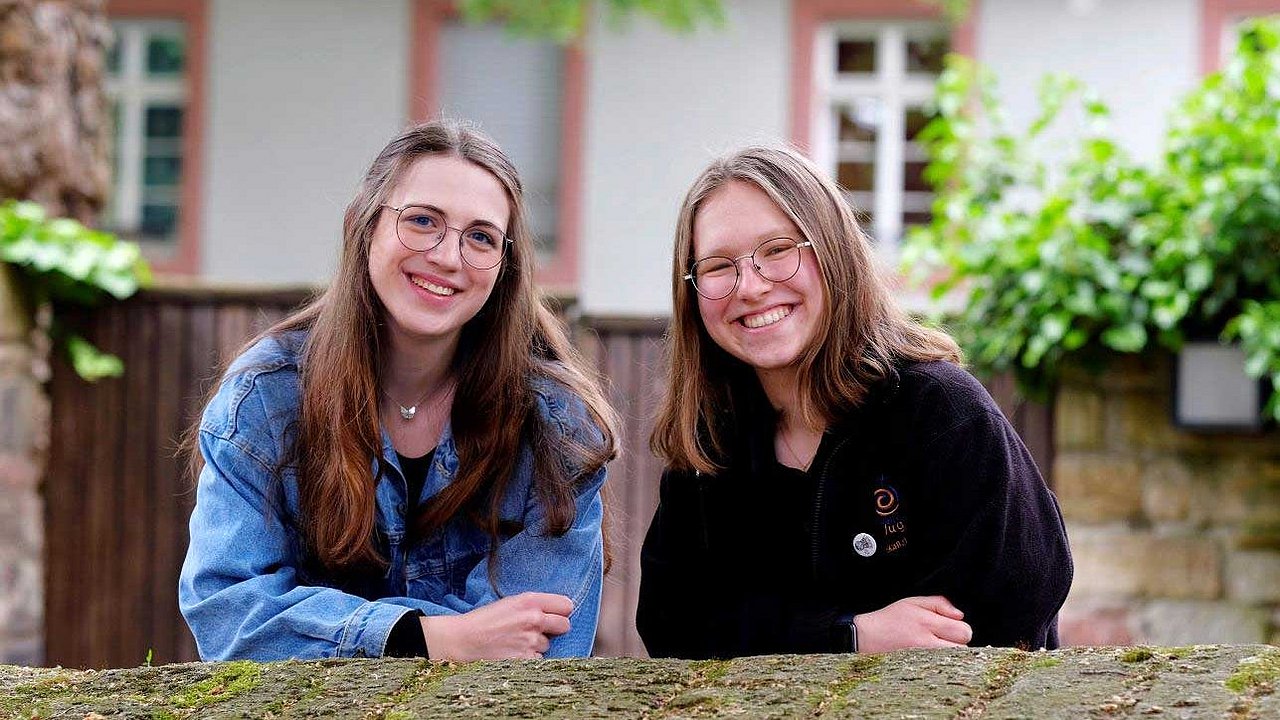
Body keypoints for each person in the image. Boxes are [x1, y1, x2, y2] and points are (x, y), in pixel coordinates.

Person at [178, 120, 618, 662]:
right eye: (422, 221)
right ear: (365, 227)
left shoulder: (557, 426)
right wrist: (431, 639)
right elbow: (228, 613)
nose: (447, 256)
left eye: (480, 237)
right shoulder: (264, 400)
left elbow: (532, 651)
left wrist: (319, 631)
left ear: (505, 267)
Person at [637, 145, 1072, 659]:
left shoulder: (940, 412)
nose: (750, 286)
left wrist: (770, 629)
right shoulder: (707, 453)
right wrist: (849, 633)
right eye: (717, 266)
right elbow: (673, 624)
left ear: (833, 253)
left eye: (777, 250)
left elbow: (1002, 607)